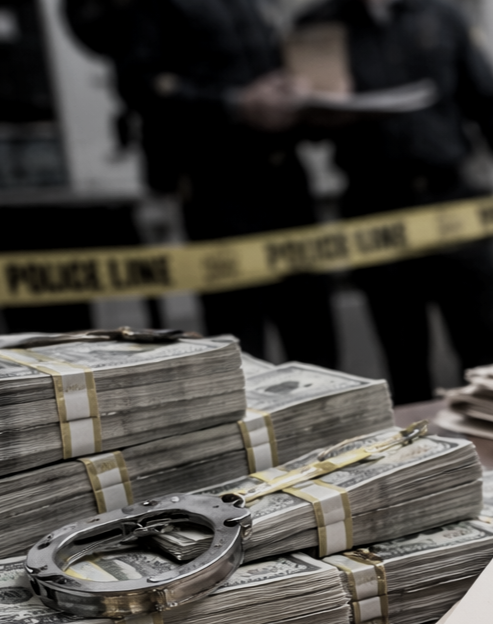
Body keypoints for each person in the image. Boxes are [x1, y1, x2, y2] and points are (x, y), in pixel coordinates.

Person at [295, 0, 493, 403]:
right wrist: (311, 108)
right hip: (375, 206)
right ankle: (423, 461)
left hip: (452, 198)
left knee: (485, 350)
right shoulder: (318, 27)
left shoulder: (442, 15)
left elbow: (487, 98)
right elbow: (303, 126)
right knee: (405, 357)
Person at [118, 0, 339, 365]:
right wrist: (233, 104)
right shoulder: (152, 10)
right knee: (241, 342)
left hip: (285, 180)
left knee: (312, 329)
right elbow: (138, 83)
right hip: (220, 186)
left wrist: (305, 96)